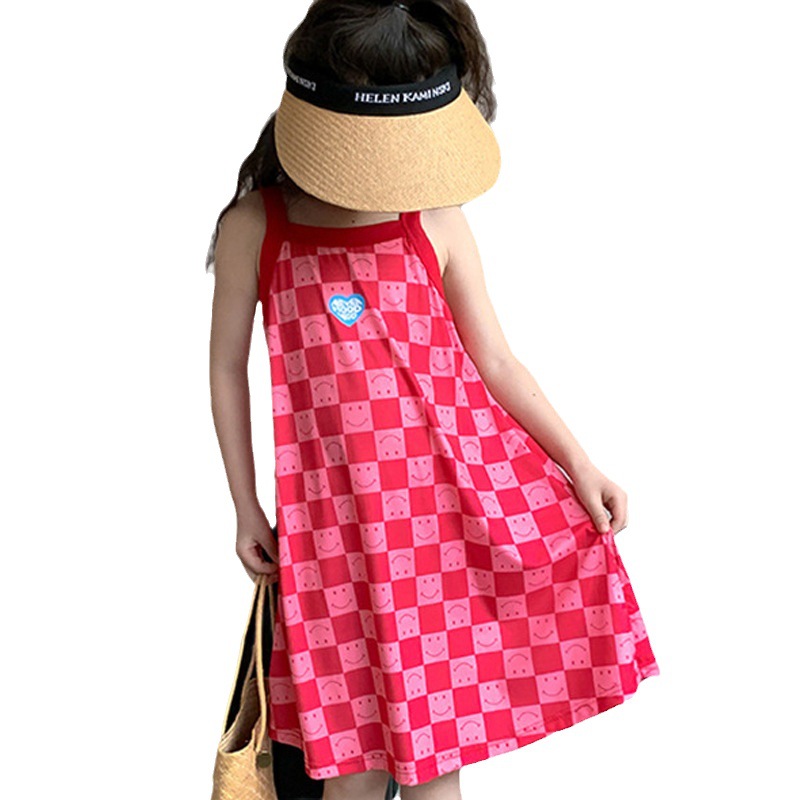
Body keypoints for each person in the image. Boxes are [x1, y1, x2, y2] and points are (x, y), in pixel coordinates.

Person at [206, 2, 660, 800]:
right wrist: (246, 508)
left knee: (432, 761)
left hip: (441, 528)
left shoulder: (436, 221)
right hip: (332, 537)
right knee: (348, 768)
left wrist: (580, 464)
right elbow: (225, 369)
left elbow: (496, 361)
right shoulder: (258, 226)